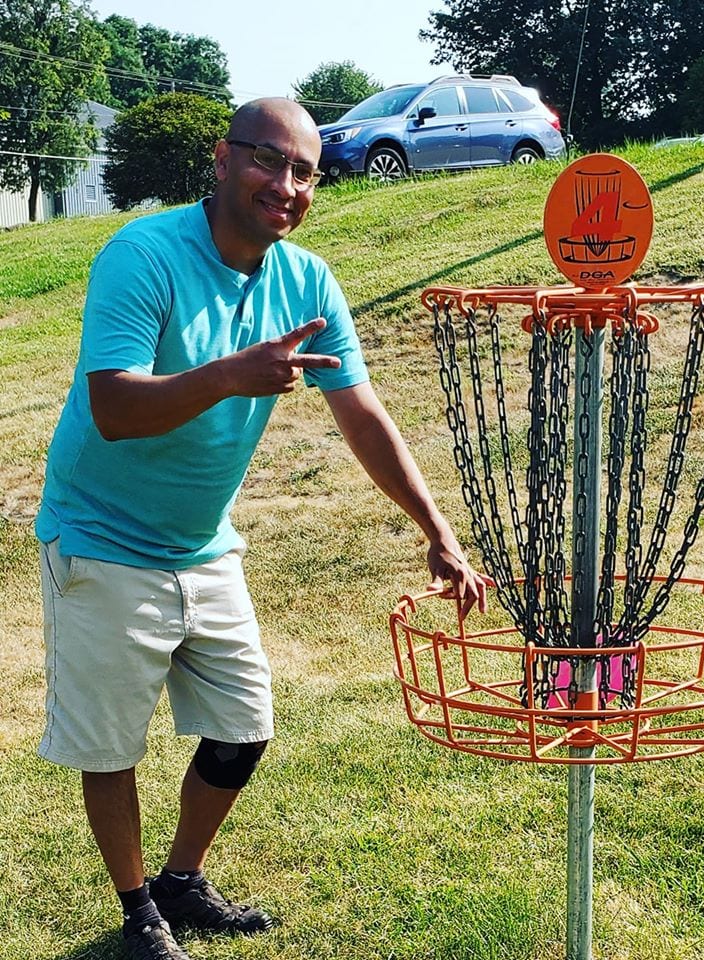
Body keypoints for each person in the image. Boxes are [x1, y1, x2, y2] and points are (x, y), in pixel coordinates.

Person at [35, 97, 491, 960]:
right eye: (268, 161)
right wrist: (229, 376)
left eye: (304, 172)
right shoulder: (142, 256)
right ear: (222, 158)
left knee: (244, 724)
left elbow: (361, 413)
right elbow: (114, 408)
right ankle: (139, 914)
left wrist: (435, 528)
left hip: (202, 541)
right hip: (98, 535)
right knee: (112, 743)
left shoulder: (307, 280)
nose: (285, 185)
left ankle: (180, 880)